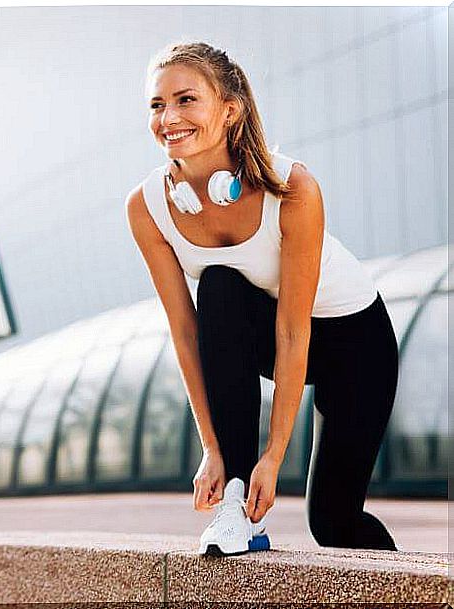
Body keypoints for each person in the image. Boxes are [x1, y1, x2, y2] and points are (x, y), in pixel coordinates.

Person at [125, 41, 400, 556]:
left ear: (230, 110)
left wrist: (274, 455)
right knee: (220, 286)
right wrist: (214, 449)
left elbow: (295, 329)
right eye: (157, 105)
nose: (168, 118)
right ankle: (233, 507)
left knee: (335, 524)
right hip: (269, 336)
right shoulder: (147, 208)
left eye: (186, 100)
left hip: (354, 342)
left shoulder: (293, 188)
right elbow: (188, 333)